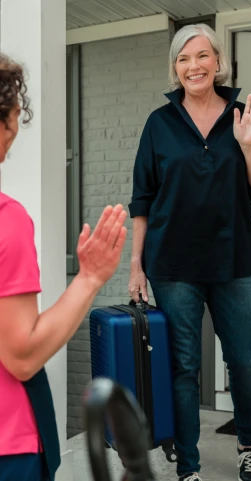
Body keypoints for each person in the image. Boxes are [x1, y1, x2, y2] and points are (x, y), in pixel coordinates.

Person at [128, 23, 251, 481]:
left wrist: (249, 145)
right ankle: (189, 468)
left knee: (245, 363)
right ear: (176, 68)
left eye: (201, 56)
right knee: (184, 367)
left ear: (218, 62)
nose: (193, 66)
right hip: (172, 264)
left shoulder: (240, 115)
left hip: (233, 261)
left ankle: (248, 444)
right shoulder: (160, 123)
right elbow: (142, 199)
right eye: (183, 59)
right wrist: (136, 265)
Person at [0, 54, 128, 481]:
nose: (17, 127)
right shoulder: (6, 220)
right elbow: (22, 356)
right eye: (16, 113)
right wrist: (90, 278)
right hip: (9, 444)